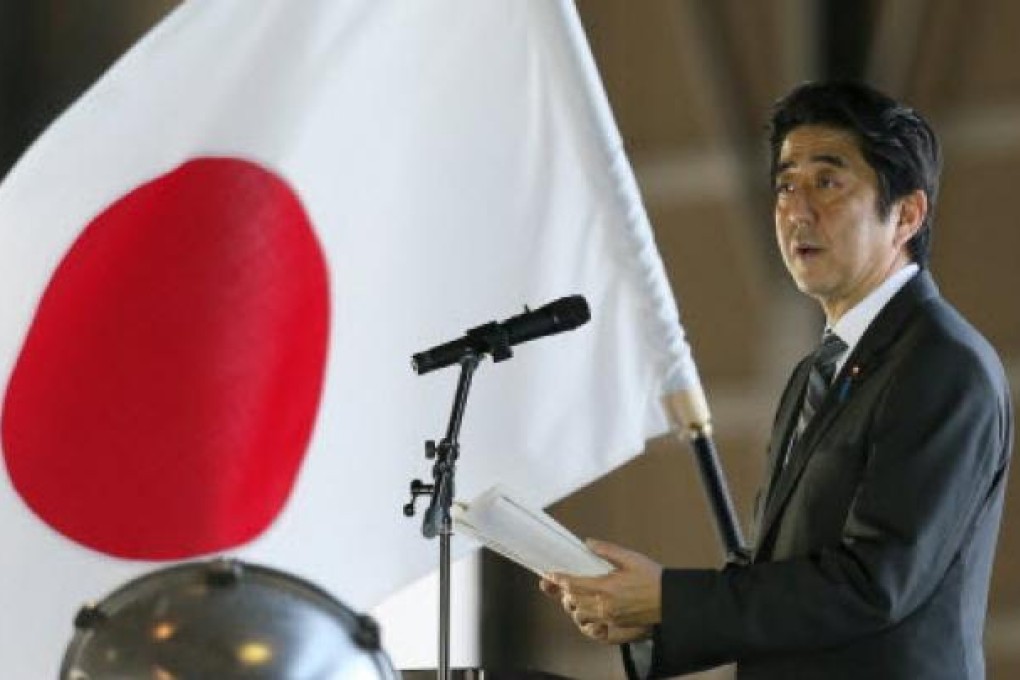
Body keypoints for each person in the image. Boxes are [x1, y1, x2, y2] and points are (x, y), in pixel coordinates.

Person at [540, 81, 1013, 678]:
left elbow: (873, 582)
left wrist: (672, 598)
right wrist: (646, 615)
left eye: (828, 182)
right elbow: (778, 576)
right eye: (786, 185)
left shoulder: (943, 364)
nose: (797, 209)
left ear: (906, 215)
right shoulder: (816, 370)